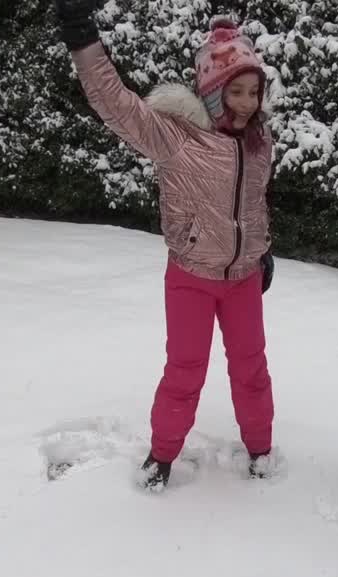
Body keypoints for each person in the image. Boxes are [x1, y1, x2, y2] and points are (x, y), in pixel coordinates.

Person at [53, 1, 277, 491]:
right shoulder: (176, 138)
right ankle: (162, 455)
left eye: (253, 91)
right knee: (185, 369)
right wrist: (83, 39)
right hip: (192, 277)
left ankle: (260, 448)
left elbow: (255, 204)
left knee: (251, 366)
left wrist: (263, 249)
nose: (246, 102)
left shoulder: (262, 144)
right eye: (235, 91)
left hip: (243, 279)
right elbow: (114, 101)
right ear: (213, 94)